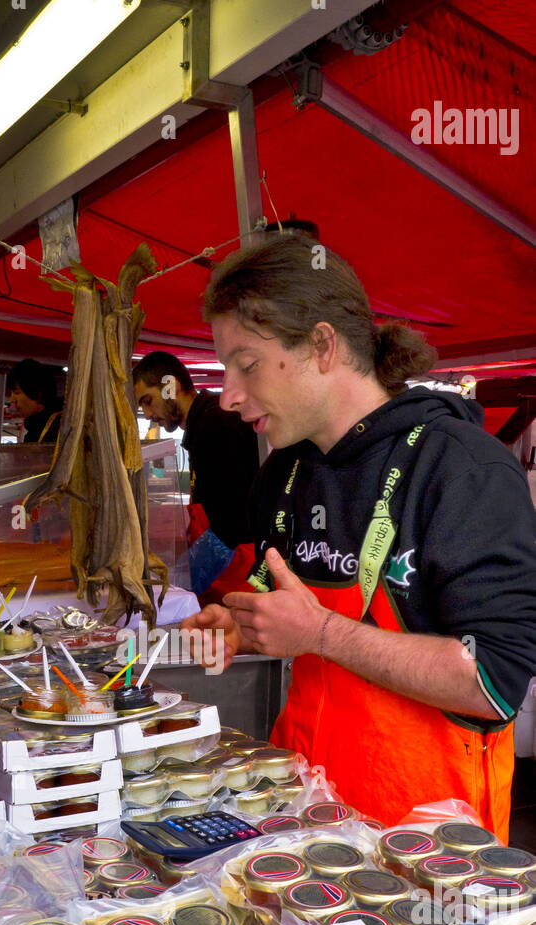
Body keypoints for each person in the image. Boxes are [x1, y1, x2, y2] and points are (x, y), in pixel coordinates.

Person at [180, 234, 536, 840]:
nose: (230, 396)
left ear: (322, 345)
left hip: (427, 844)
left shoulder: (461, 469)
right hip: (298, 818)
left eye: (246, 364)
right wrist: (245, 627)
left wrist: (320, 631)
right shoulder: (281, 474)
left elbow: (494, 681)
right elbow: (274, 597)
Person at [133, 350, 260, 595]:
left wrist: (183, 584)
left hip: (239, 572)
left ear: (171, 385)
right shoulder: (203, 424)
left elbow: (230, 525)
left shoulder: (216, 424)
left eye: (148, 401)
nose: (148, 415)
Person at [8, 359, 63, 445]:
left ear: (37, 393)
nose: (12, 400)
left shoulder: (59, 428)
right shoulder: (35, 428)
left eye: (16, 392)